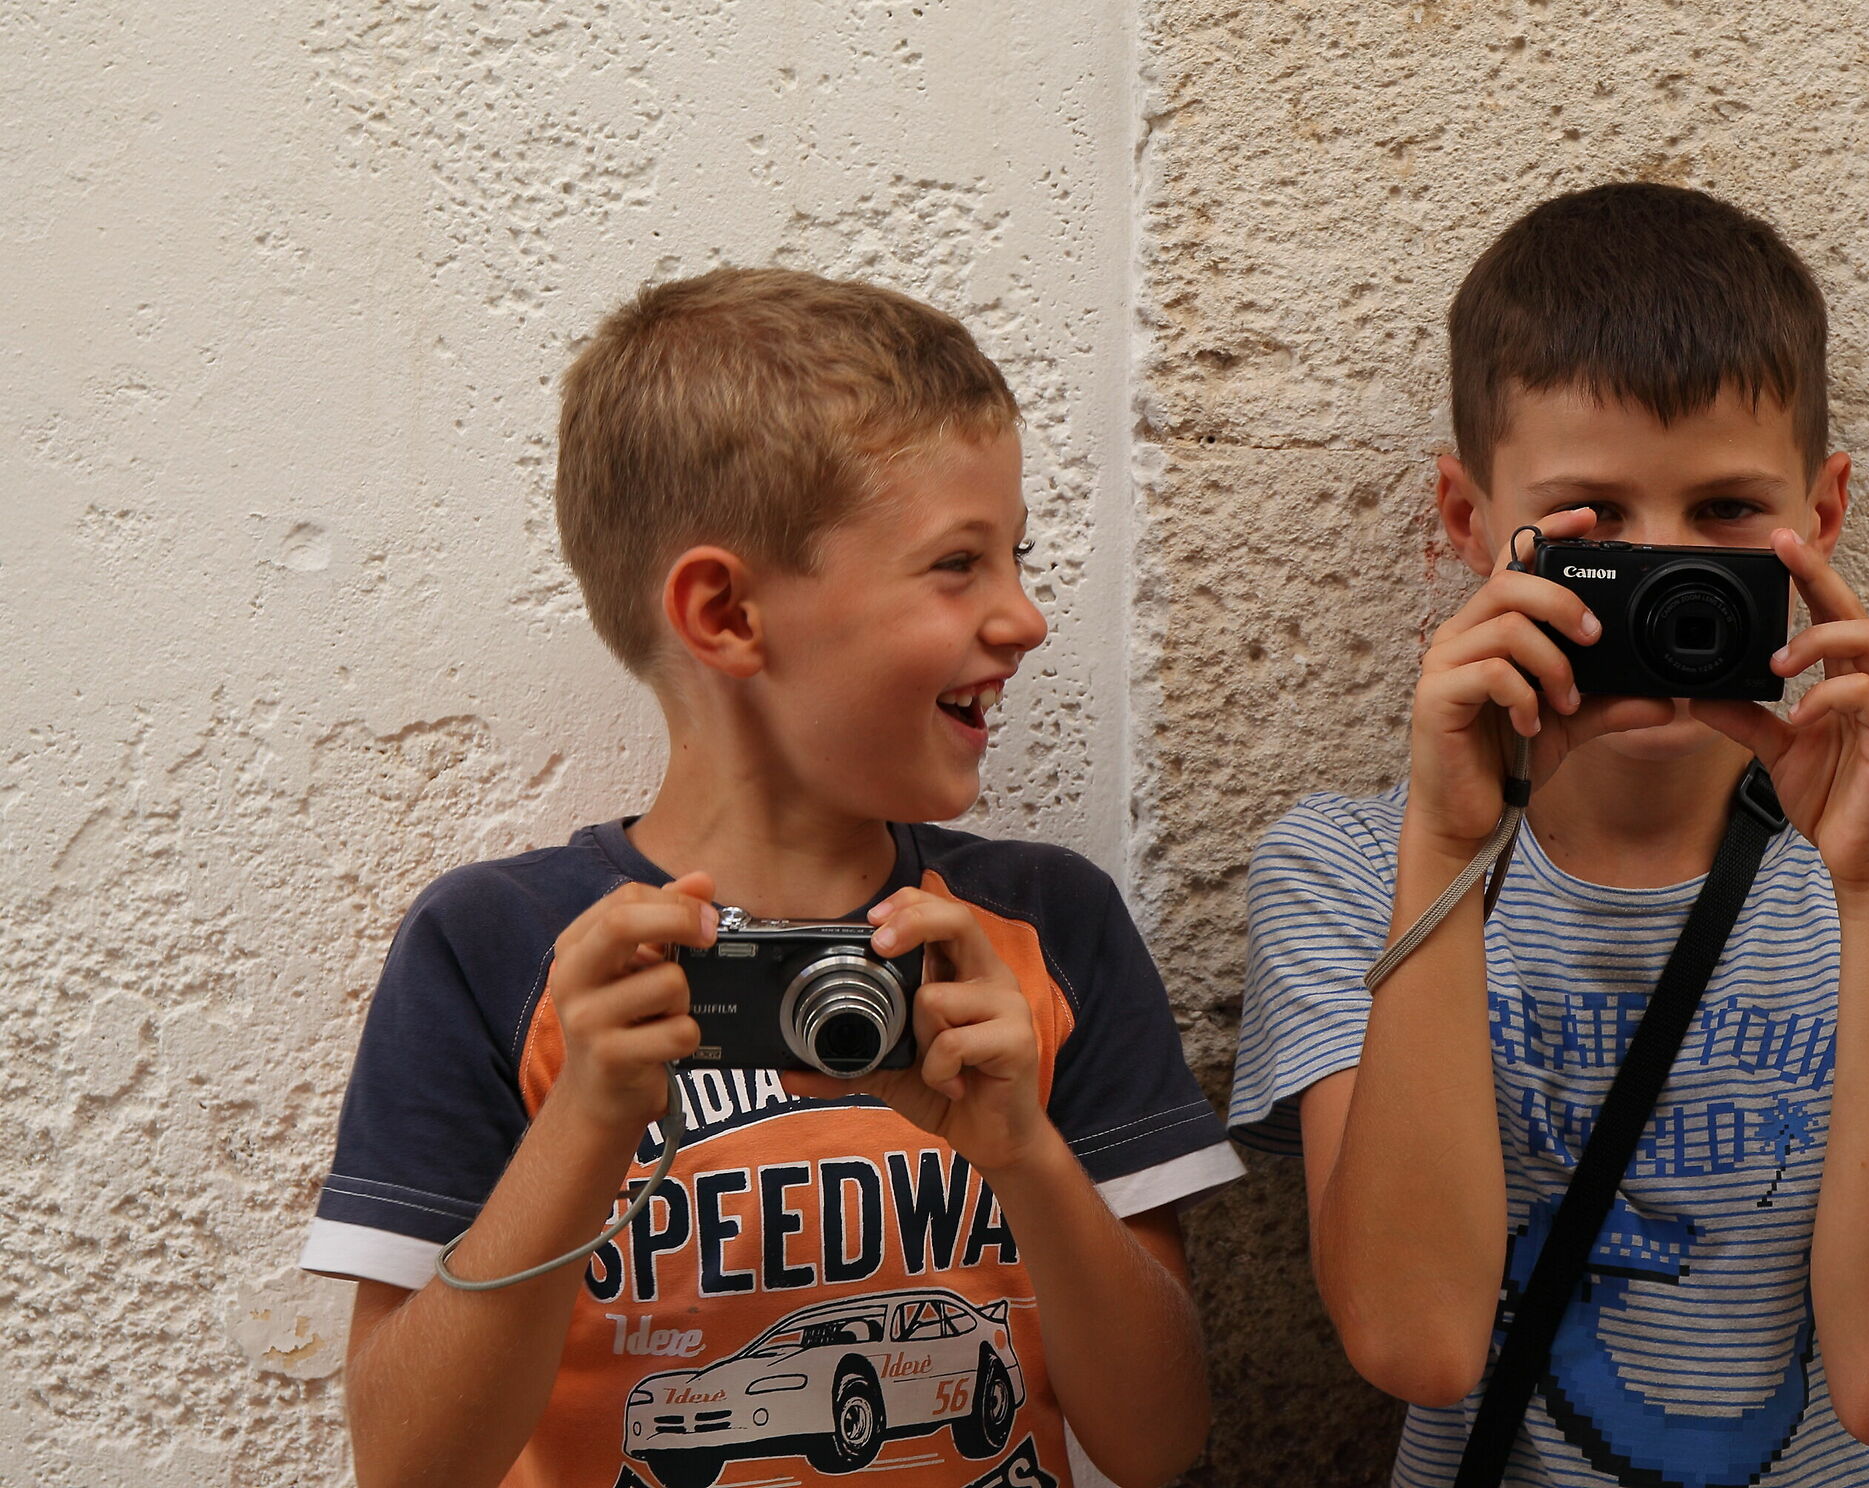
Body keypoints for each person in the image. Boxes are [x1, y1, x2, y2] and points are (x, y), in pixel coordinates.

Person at [301, 268, 1242, 1488]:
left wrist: (1026, 1155)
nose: (1026, 617)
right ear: (726, 611)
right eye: (960, 564)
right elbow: (411, 1468)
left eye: (1019, 554)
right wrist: (583, 1126)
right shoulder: (498, 949)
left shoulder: (1041, 929)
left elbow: (1159, 1438)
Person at [1229, 183, 1869, 1487]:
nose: (1659, 572)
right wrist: (1452, 841)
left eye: (1729, 515)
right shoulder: (1347, 873)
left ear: (1824, 513)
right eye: (1593, 524)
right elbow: (1417, 1344)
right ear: (1468, 523)